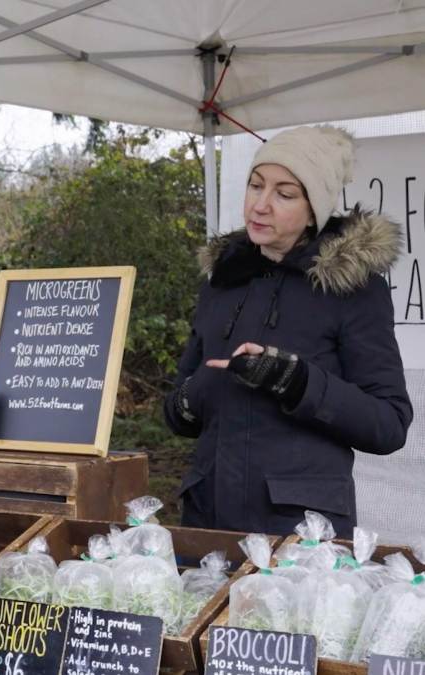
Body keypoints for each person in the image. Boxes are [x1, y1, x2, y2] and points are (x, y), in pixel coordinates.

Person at [165, 125, 413, 539]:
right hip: (208, 525)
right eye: (255, 185)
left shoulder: (352, 289)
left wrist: (296, 381)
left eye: (284, 193)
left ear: (314, 208)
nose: (260, 205)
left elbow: (389, 424)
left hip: (300, 535)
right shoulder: (222, 282)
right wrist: (200, 389)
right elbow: (176, 413)